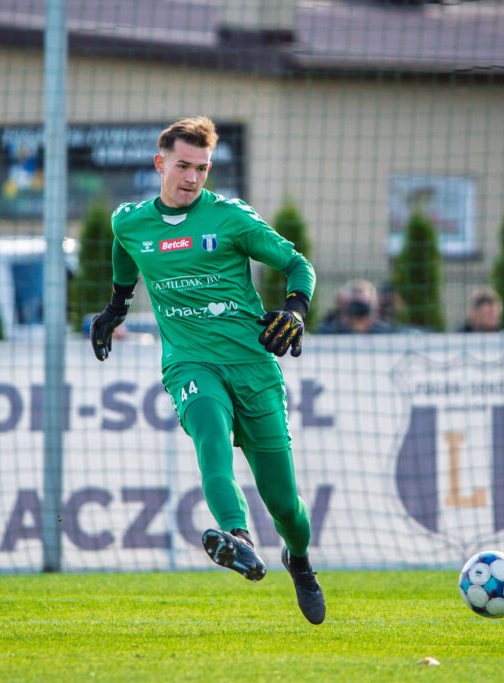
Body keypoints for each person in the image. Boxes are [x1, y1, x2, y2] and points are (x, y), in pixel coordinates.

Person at [88, 116, 325, 625]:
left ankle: (299, 561)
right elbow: (124, 253)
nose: (193, 177)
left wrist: (295, 310)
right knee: (210, 439)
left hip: (252, 366)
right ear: (160, 164)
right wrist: (116, 306)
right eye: (183, 166)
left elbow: (298, 265)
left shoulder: (231, 218)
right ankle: (237, 537)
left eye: (202, 168)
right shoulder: (129, 222)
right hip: (189, 362)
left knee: (285, 504)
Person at [318, 278, 395, 334]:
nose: (359, 314)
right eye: (355, 305)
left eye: (363, 308)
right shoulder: (329, 331)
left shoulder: (384, 332)